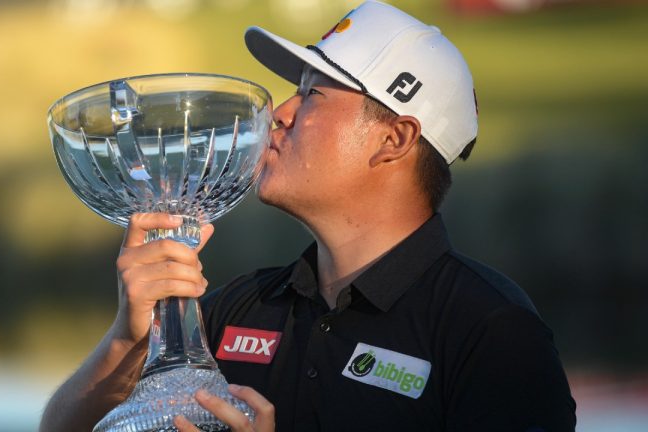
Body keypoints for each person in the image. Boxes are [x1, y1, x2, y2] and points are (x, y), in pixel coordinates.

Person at [40, 1, 576, 431]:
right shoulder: (239, 307)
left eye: (312, 95)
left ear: (395, 139)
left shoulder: (490, 332)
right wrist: (127, 340)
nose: (280, 112)